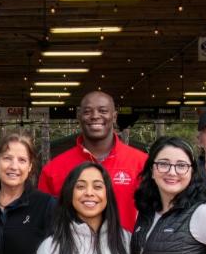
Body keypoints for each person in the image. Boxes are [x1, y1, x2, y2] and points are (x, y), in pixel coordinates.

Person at [38, 91, 146, 230]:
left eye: (103, 111)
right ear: (79, 117)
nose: (95, 116)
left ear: (114, 116)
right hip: (70, 244)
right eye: (87, 112)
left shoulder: (142, 163)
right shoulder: (53, 169)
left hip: (127, 244)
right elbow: (44, 221)